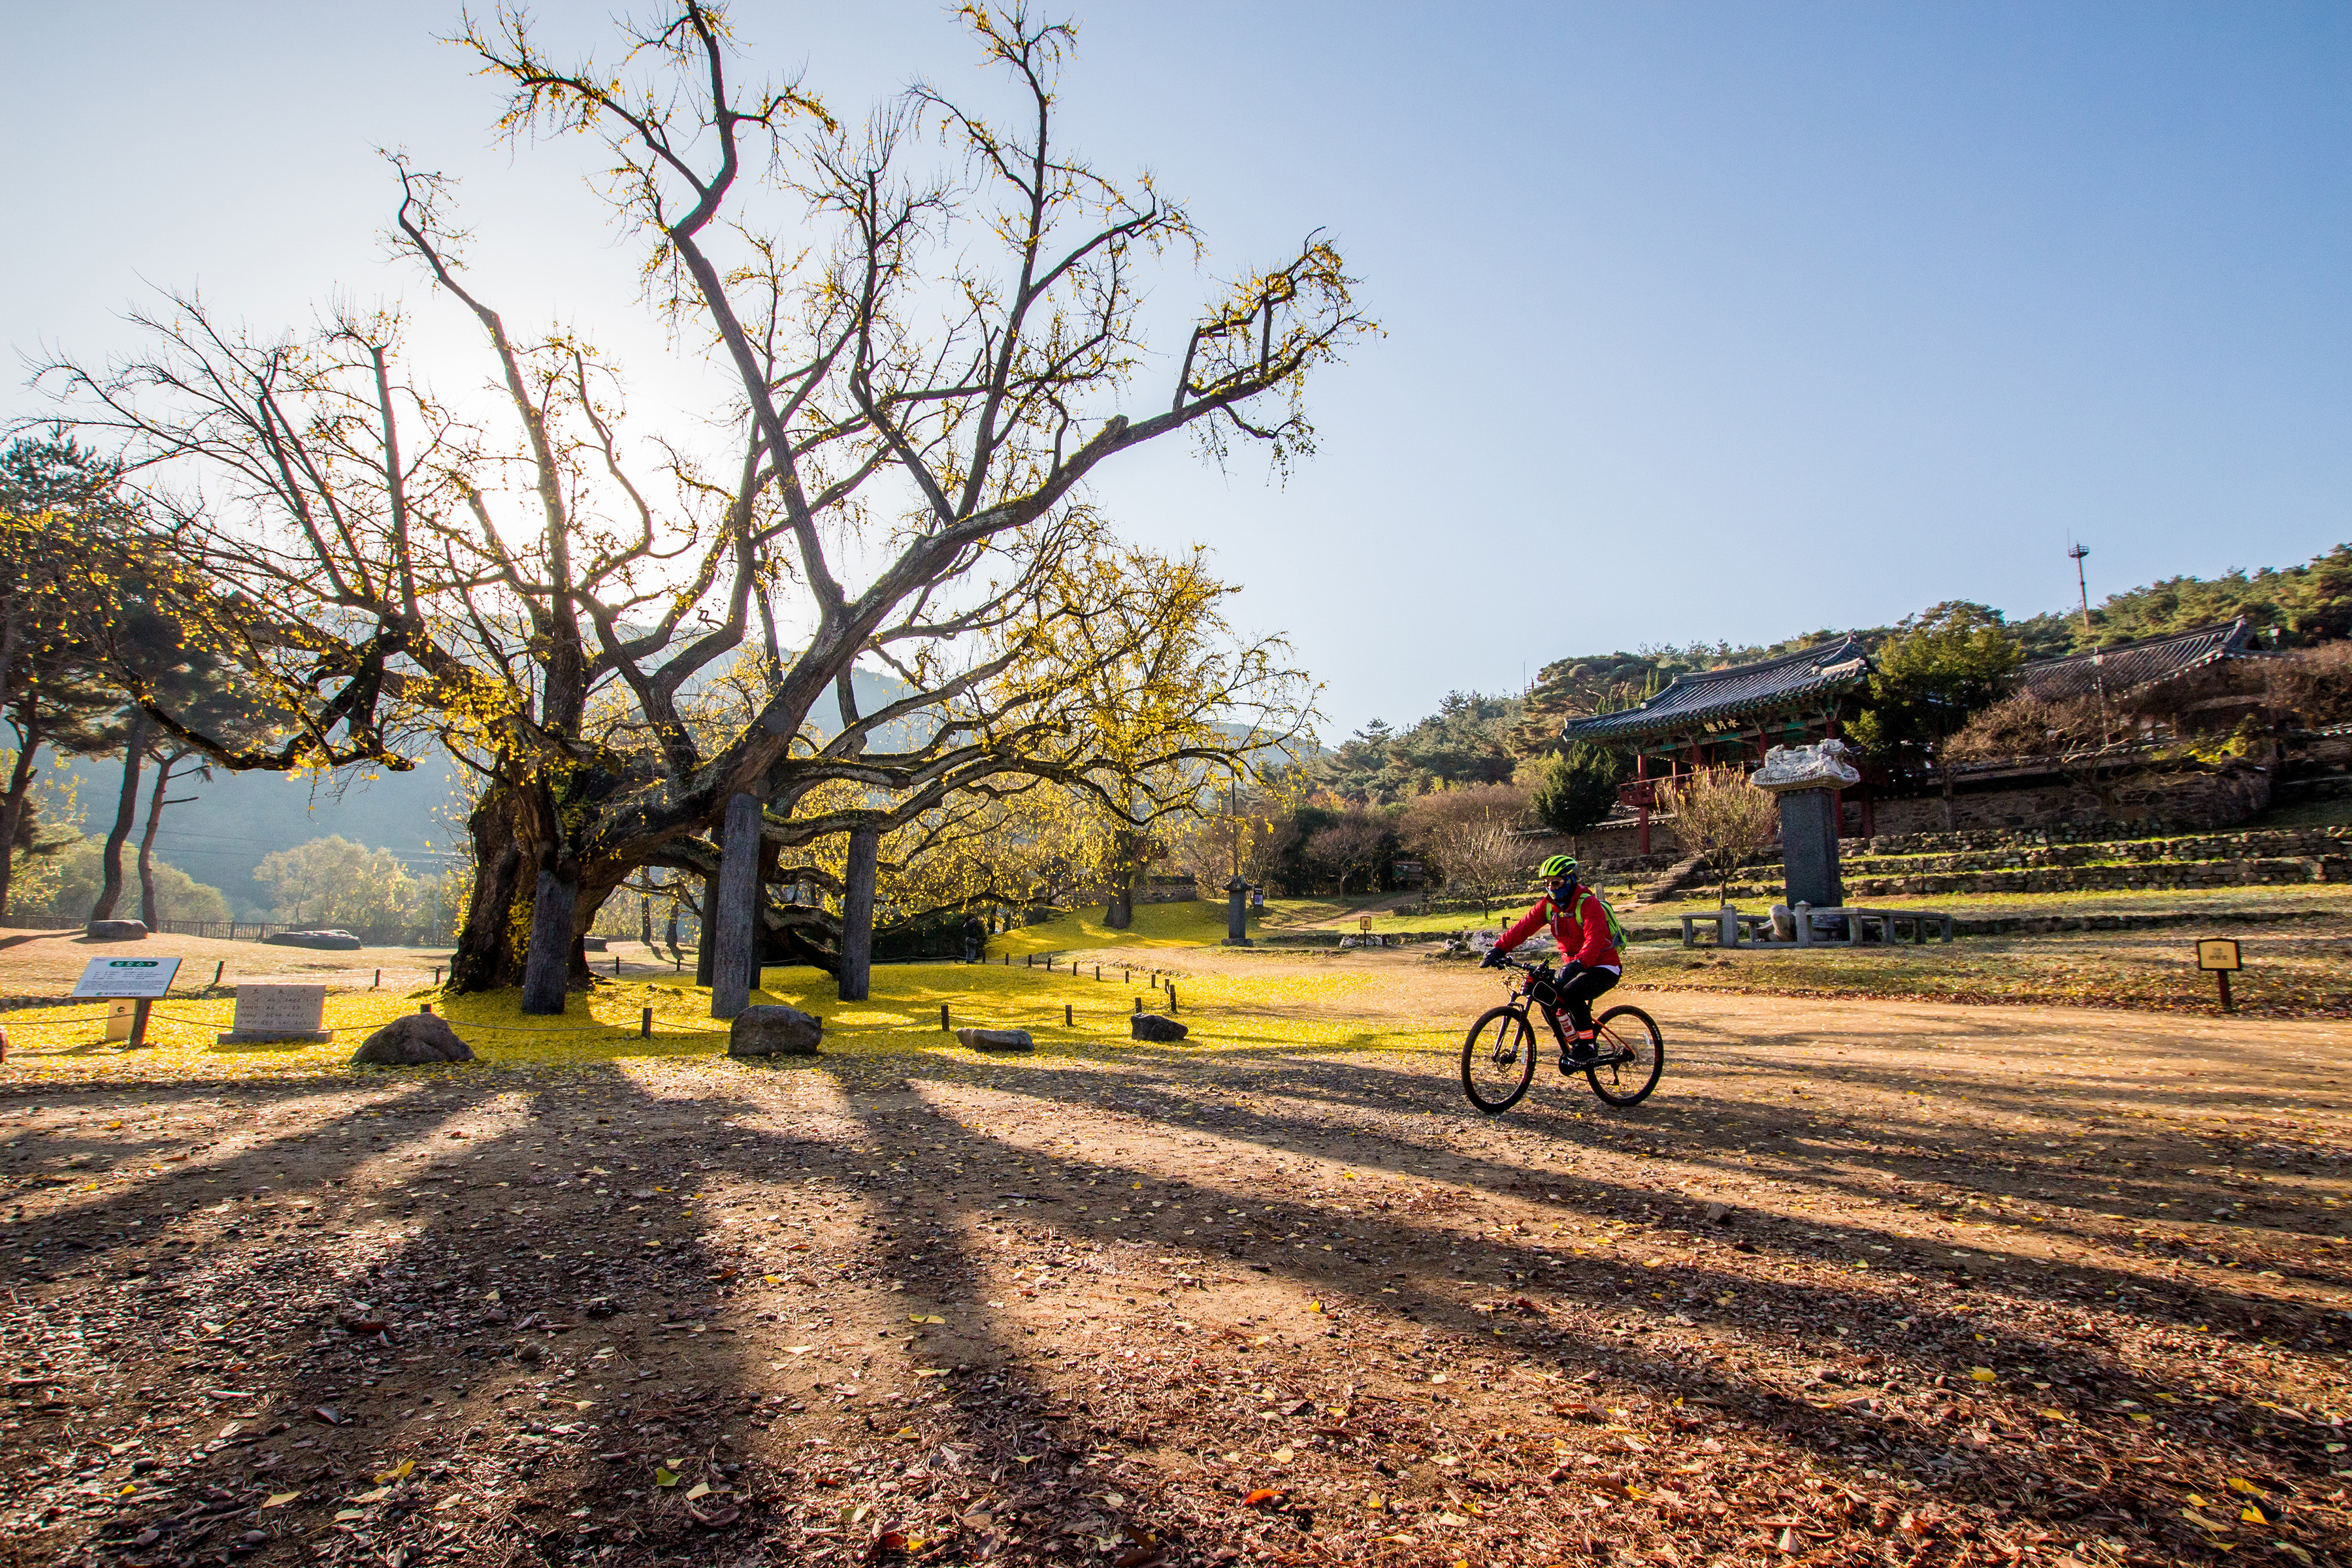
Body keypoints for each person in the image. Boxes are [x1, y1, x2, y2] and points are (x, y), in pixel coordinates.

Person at [1481, 854, 1621, 1062]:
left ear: (1571, 880)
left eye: (1556, 882)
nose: (1552, 888)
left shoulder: (1589, 904)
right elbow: (1523, 928)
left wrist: (1579, 964)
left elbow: (1594, 940)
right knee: (1545, 993)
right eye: (1547, 884)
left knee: (1572, 992)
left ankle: (1588, 1045)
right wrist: (1499, 949)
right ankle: (1573, 1043)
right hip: (1574, 966)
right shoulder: (1549, 906)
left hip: (1603, 966)